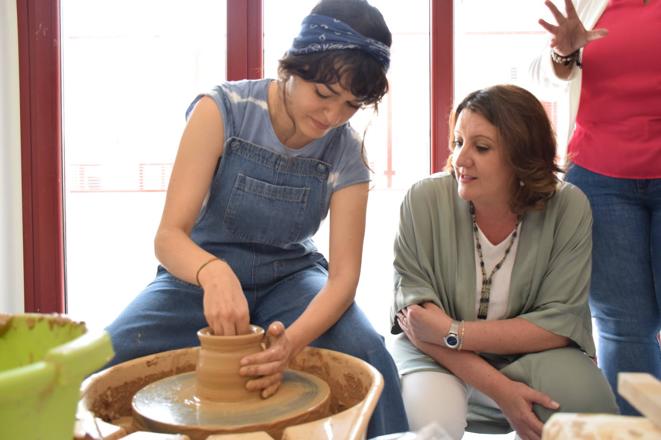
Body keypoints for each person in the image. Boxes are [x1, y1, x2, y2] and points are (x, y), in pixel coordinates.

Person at [105, 0, 409, 436]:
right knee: (105, 356)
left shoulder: (346, 150)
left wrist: (291, 344)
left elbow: (343, 279)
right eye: (323, 94)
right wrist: (212, 272)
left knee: (368, 353)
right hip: (195, 276)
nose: (332, 117)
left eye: (350, 105)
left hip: (292, 278)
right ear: (291, 66)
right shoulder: (223, 109)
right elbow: (168, 237)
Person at [390, 85, 618, 440]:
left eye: (481, 147)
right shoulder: (423, 200)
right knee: (431, 427)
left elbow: (558, 325)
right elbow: (418, 325)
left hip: (531, 356)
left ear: (521, 156)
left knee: (593, 422)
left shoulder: (569, 208)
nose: (461, 159)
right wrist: (502, 391)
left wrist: (453, 332)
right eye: (457, 141)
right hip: (435, 356)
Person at [530, 0, 661, 415]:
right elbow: (542, 79)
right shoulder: (589, 3)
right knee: (624, 328)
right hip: (602, 180)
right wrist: (563, 54)